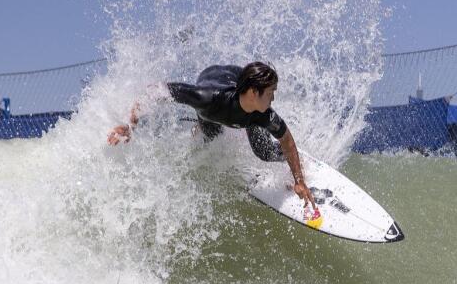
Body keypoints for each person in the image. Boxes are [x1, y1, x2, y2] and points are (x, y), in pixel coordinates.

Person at [107, 62, 315, 207]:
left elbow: (286, 139)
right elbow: (157, 90)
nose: (273, 99)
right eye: (270, 93)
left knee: (265, 151)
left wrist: (299, 180)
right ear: (254, 92)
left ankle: (299, 161)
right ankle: (200, 126)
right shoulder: (206, 99)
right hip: (211, 80)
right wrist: (130, 125)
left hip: (236, 80)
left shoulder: (263, 114)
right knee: (210, 140)